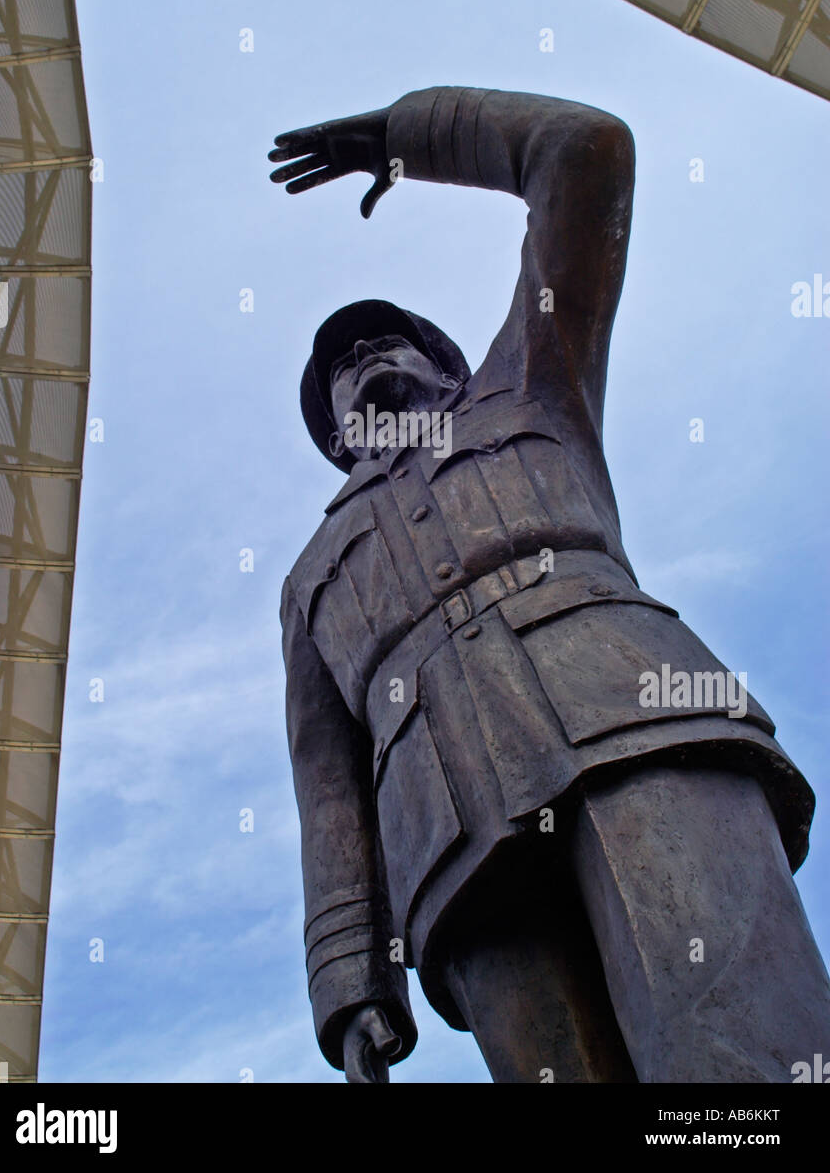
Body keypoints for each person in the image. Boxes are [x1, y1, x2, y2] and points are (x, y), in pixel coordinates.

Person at [271, 87, 830, 1082]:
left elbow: (585, 152)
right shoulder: (309, 581)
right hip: (453, 846)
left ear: (447, 364)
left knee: (739, 1051)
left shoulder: (533, 380)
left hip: (639, 730)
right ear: (336, 435)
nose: (364, 363)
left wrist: (411, 135)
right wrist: (352, 976)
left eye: (382, 339)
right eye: (340, 370)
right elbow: (328, 787)